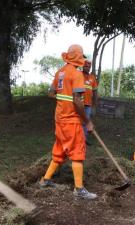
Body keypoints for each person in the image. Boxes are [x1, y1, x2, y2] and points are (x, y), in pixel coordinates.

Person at [39, 44, 97, 200]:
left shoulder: (60, 72)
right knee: (77, 152)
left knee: (59, 150)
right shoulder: (77, 75)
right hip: (71, 121)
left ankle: (45, 180)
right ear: (78, 57)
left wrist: (62, 99)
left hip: (59, 119)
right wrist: (87, 121)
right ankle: (79, 189)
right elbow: (78, 102)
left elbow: (51, 93)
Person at [82, 59, 98, 144]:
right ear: (83, 66)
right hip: (79, 103)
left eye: (89, 67)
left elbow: (95, 91)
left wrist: (95, 104)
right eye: (86, 66)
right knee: (77, 121)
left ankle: (84, 139)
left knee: (86, 122)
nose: (87, 68)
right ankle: (77, 138)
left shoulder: (92, 77)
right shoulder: (78, 75)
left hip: (88, 104)